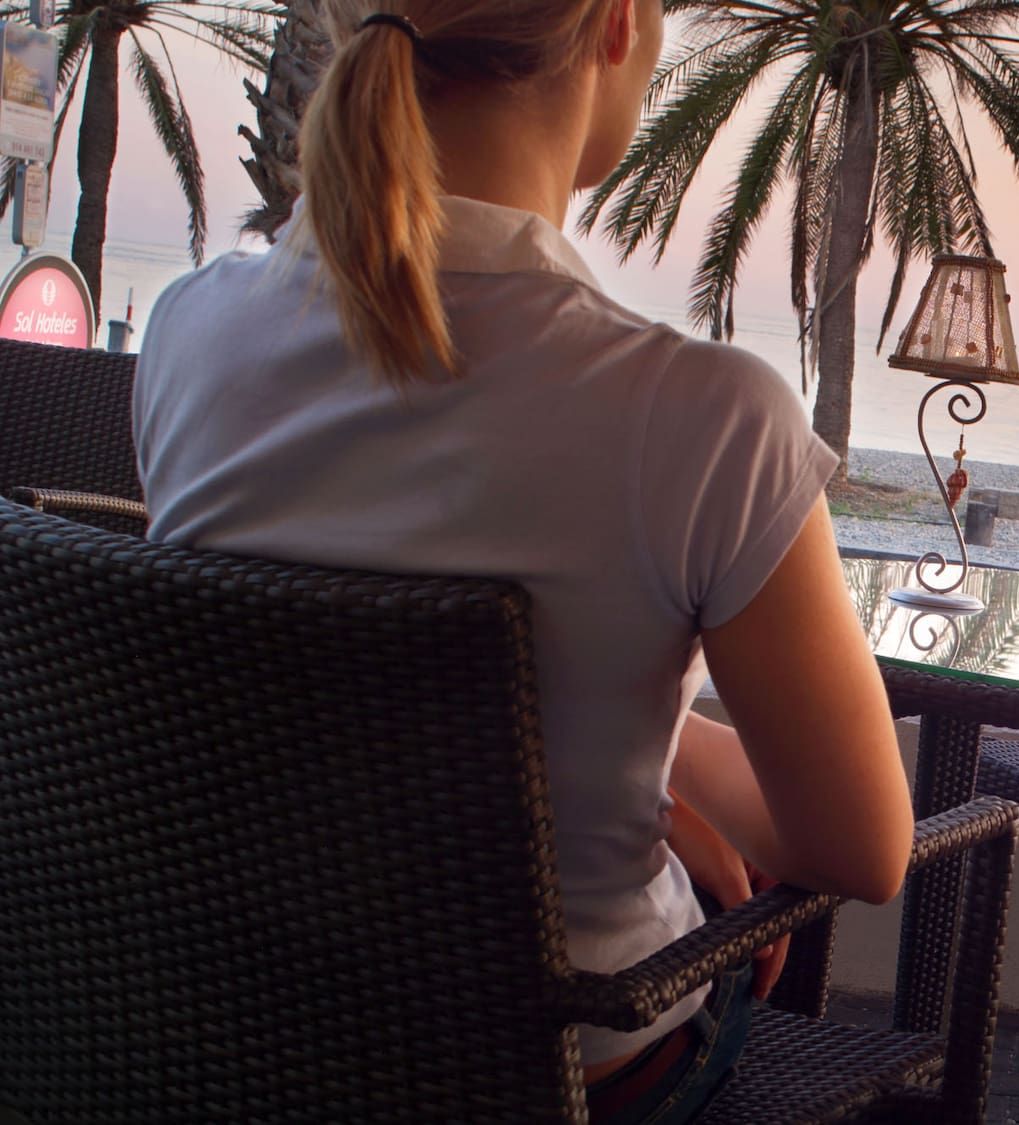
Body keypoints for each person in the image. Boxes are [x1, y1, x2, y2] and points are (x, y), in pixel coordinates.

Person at [129, 1, 914, 1120]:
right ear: (615, 25)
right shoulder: (703, 417)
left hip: (213, 1039)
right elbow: (859, 846)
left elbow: (294, 689)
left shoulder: (189, 331)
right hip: (554, 1079)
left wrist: (648, 750)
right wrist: (664, 757)